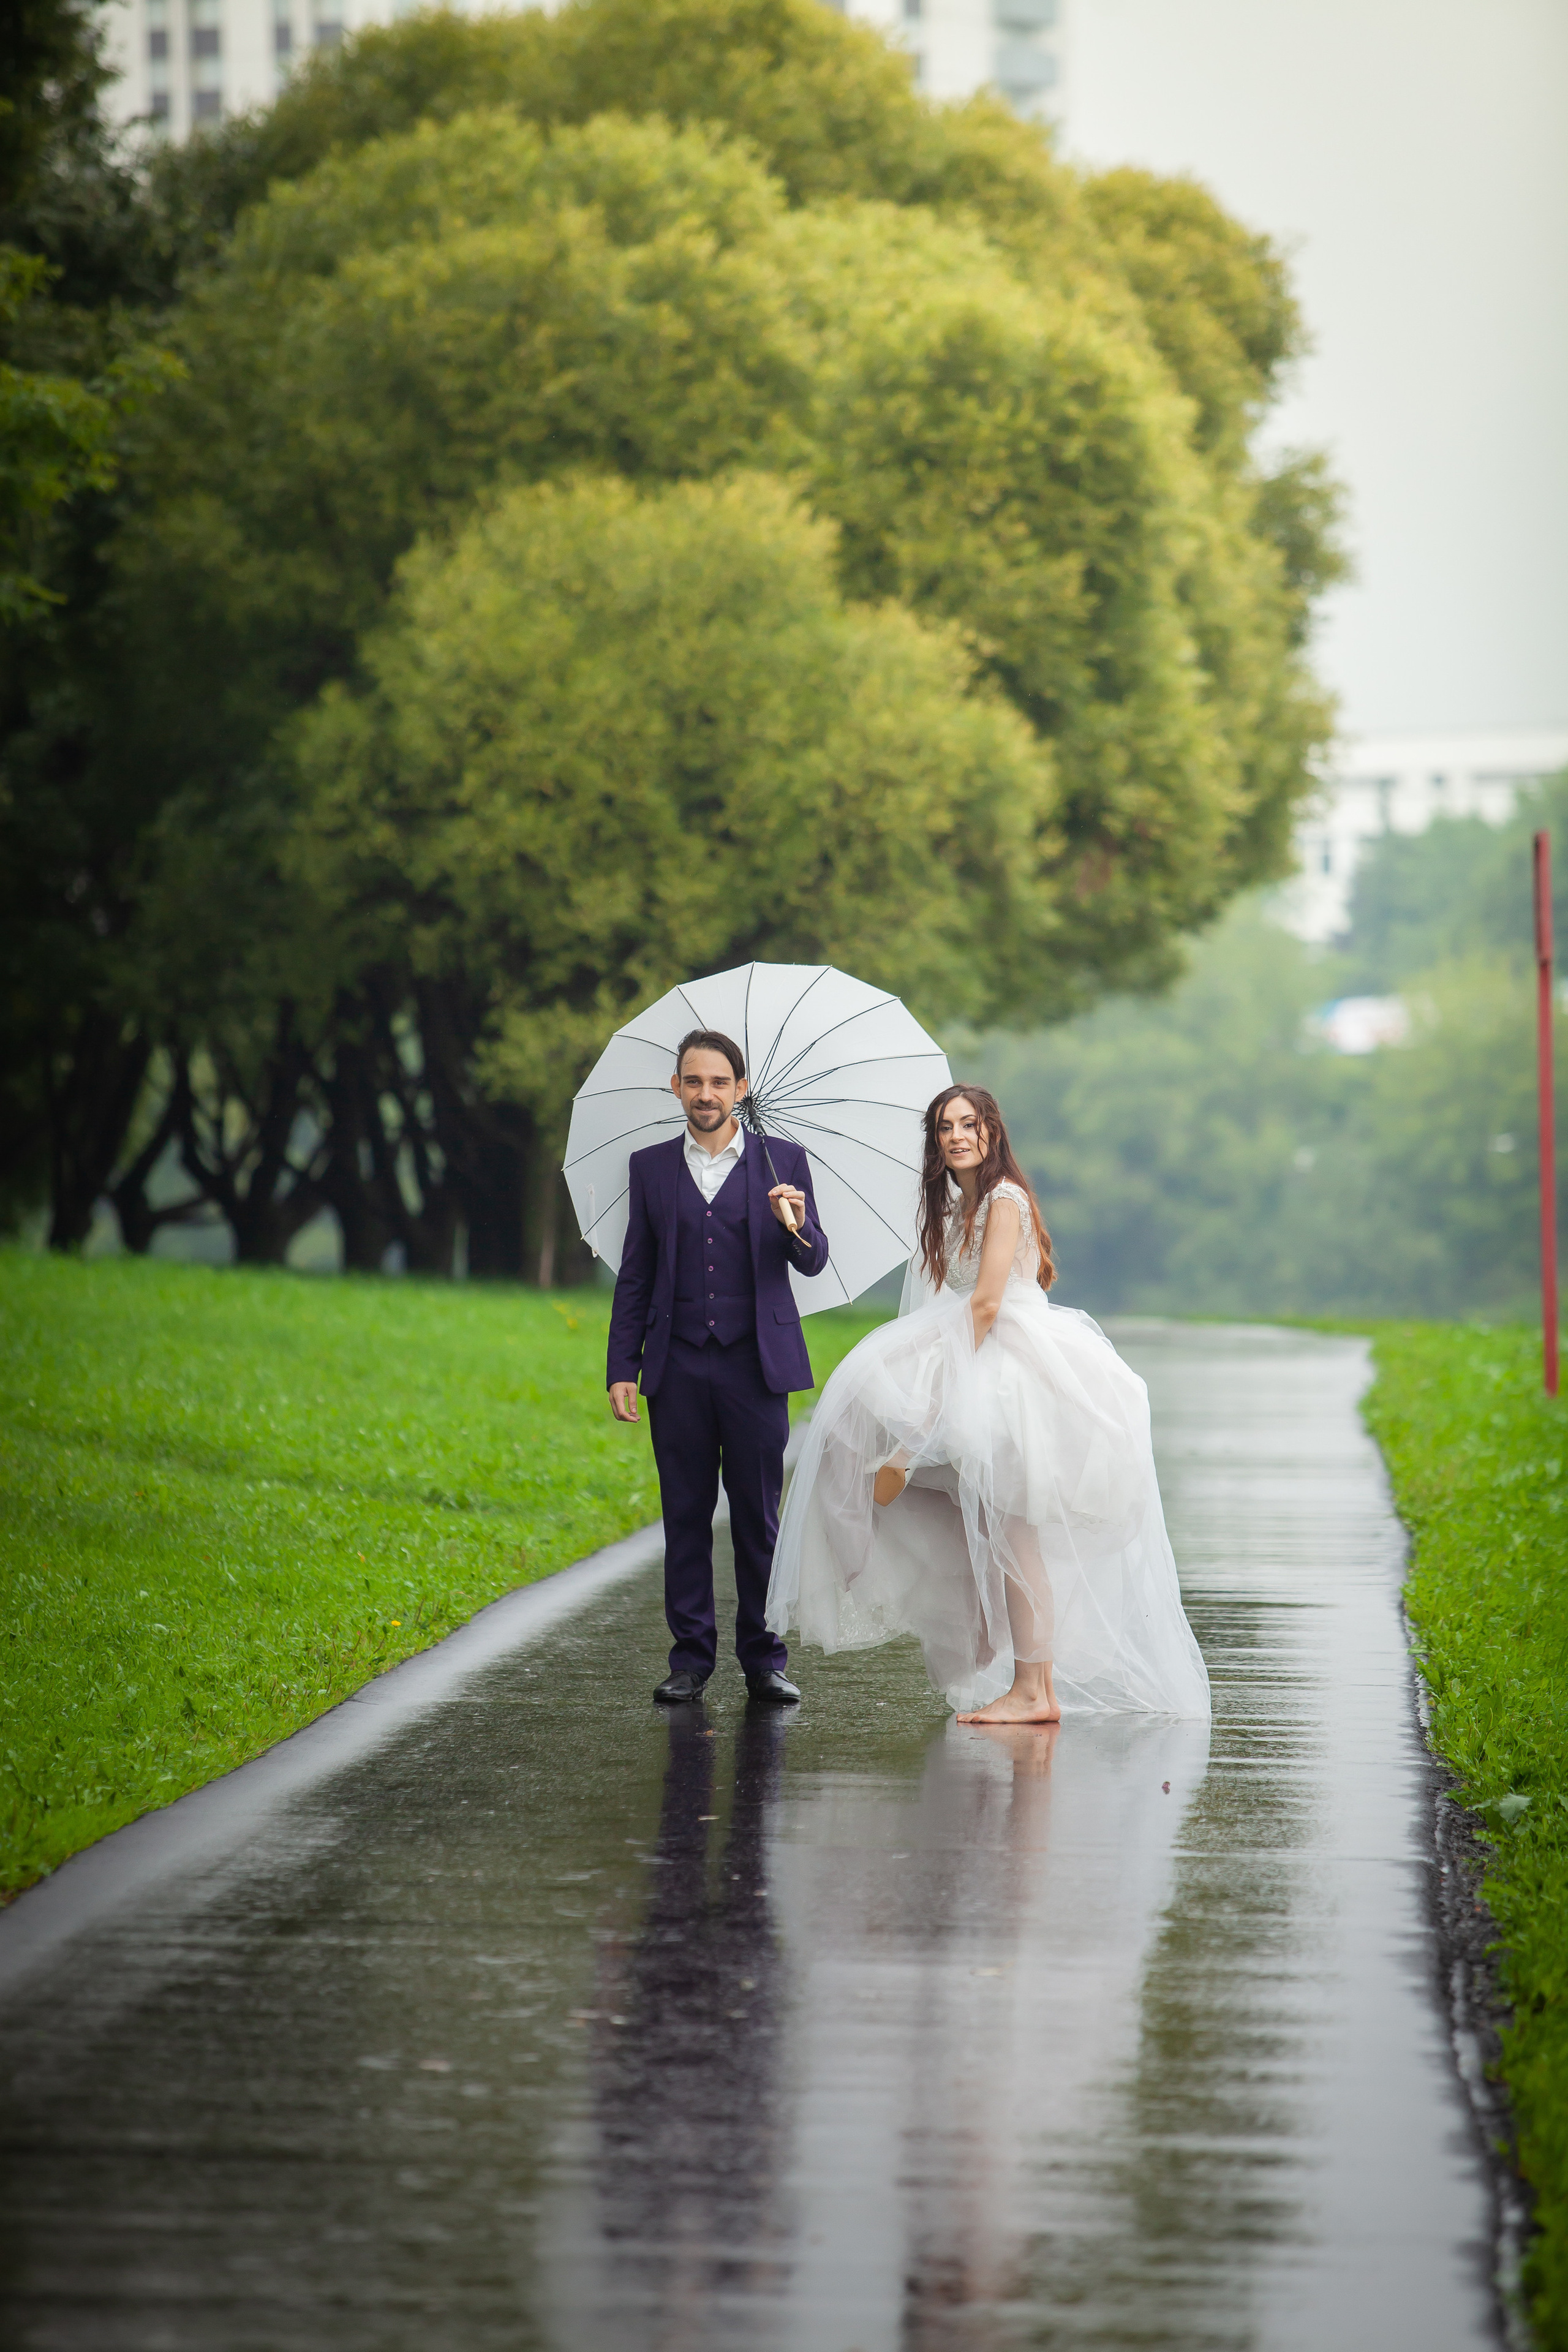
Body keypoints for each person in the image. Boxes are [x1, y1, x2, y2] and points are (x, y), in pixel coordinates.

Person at [766, 1085, 1209, 1724]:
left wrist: (930, 1413)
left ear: (991, 1132)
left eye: (968, 1125)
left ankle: (1033, 1689)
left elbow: (985, 1304)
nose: (956, 1136)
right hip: (983, 1360)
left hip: (1012, 1373)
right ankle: (1014, 1663)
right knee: (987, 1525)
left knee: (1014, 1534)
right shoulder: (957, 1208)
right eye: (945, 1127)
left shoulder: (1004, 1200)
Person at [608, 1028, 832, 1705]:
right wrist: (624, 1365)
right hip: (676, 1367)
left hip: (755, 1367)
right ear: (676, 1088)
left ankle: (764, 1659)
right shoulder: (649, 1168)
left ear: (740, 1090)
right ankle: (690, 1659)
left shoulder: (781, 1161)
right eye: (693, 1081)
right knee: (685, 1514)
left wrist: (794, 1223)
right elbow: (636, 1275)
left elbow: (814, 1258)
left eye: (718, 1082)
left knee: (758, 1519)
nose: (706, 1094)